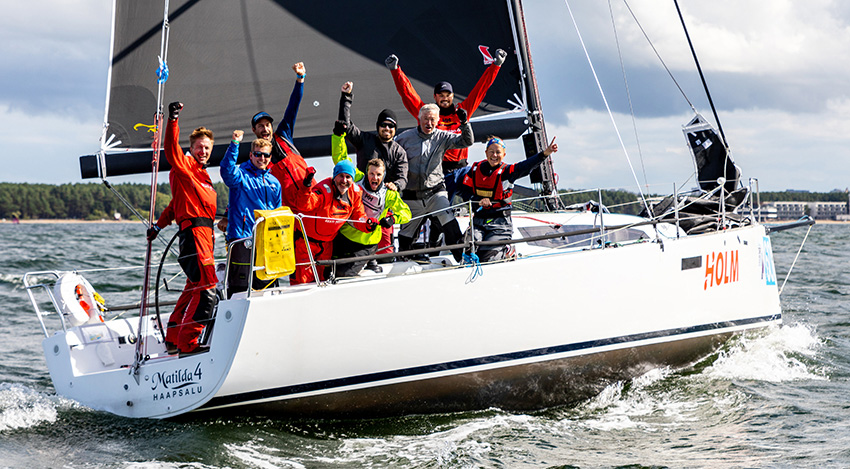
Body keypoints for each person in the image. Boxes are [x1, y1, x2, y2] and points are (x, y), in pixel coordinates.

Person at [146, 101, 217, 355]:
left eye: (207, 148)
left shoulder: (202, 176)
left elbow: (175, 206)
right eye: (199, 147)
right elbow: (171, 150)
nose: (204, 151)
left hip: (205, 237)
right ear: (191, 147)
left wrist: (159, 225)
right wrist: (173, 120)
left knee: (192, 288)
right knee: (207, 290)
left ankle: (174, 337)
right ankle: (189, 344)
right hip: (194, 237)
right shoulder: (184, 167)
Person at [385, 49, 506, 173]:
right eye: (441, 95)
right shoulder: (427, 114)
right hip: (434, 169)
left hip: (460, 169)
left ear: (452, 96)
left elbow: (481, 89)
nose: (444, 98)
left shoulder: (462, 111)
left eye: (448, 95)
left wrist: (496, 65)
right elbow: (408, 94)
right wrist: (395, 70)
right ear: (435, 97)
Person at [335, 81, 409, 260]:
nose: (387, 129)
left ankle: (379, 265)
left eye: (391, 126)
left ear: (395, 130)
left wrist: (395, 186)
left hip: (383, 207)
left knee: (385, 253)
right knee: (349, 245)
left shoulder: (399, 151)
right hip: (358, 201)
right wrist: (346, 98)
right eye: (384, 125)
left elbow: (403, 177)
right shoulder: (365, 139)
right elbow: (344, 125)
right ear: (378, 126)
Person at [459, 135, 560, 262]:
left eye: (498, 152)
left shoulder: (507, 171)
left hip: (500, 223)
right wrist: (478, 199)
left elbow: (526, 166)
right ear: (486, 152)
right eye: (491, 152)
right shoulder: (475, 169)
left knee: (486, 257)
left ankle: (508, 250)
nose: (494, 155)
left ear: (504, 155)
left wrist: (545, 153)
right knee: (465, 247)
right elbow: (465, 191)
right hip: (479, 221)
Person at [395, 103, 473, 262]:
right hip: (412, 197)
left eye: (432, 120)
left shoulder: (442, 136)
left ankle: (463, 260)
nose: (428, 123)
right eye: (425, 119)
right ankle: (403, 264)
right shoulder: (403, 138)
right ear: (419, 118)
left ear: (437, 121)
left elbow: (467, 141)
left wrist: (465, 124)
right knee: (404, 238)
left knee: (451, 229)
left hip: (435, 194)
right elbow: (391, 159)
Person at [290, 160, 377, 284]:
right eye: (341, 176)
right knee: (303, 281)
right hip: (306, 243)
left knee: (323, 280)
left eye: (348, 177)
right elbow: (305, 205)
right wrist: (306, 185)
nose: (344, 180)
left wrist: (368, 224)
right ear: (334, 176)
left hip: (327, 245)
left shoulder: (355, 193)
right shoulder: (323, 189)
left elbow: (359, 216)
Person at [220, 131, 282, 297]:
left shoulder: (274, 183)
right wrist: (234, 144)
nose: (262, 158)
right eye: (258, 154)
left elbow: (277, 213)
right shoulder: (240, 176)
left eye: (266, 155)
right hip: (242, 238)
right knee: (240, 288)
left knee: (266, 284)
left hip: (266, 241)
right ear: (251, 155)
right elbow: (226, 171)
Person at [333, 158, 411, 277]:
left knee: (342, 274)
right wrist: (338, 138)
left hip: (366, 243)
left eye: (379, 174)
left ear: (383, 175)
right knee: (326, 269)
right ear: (366, 173)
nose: (375, 178)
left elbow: (406, 213)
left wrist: (393, 219)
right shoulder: (358, 178)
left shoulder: (389, 193)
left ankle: (369, 260)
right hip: (344, 236)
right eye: (372, 174)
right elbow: (341, 158)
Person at [251, 62, 313, 211]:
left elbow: (293, 106)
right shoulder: (256, 159)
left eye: (267, 125)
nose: (265, 129)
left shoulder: (284, 134)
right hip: (289, 211)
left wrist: (300, 79)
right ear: (254, 130)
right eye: (260, 126)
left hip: (310, 198)